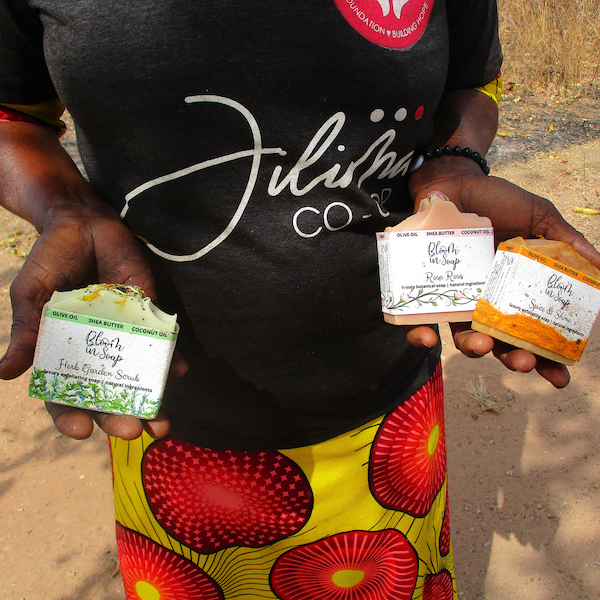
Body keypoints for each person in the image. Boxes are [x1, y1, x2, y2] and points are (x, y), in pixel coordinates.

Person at [1, 1, 598, 599]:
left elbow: (472, 77)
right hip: (163, 424)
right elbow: (11, 113)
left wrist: (455, 159)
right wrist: (65, 207)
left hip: (392, 423)